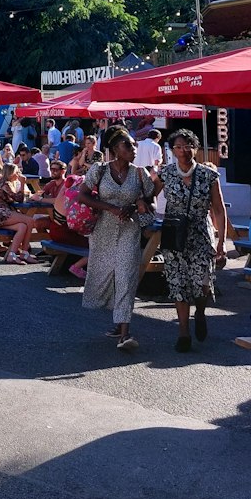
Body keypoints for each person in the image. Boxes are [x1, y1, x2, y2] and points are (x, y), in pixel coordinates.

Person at [76, 129, 159, 352]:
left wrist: (137, 204)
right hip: (102, 230)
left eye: (134, 146)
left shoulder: (140, 173)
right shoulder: (99, 169)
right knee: (105, 275)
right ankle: (118, 321)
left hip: (129, 231)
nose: (134, 150)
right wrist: (110, 208)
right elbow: (81, 195)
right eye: (128, 146)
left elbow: (151, 203)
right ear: (115, 150)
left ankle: (125, 333)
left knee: (126, 277)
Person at [157, 129, 227, 352]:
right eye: (178, 147)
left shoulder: (208, 175)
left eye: (188, 146)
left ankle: (200, 311)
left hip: (200, 234)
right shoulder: (165, 173)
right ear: (172, 150)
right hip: (174, 235)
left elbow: (218, 209)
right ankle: (183, 333)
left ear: (195, 148)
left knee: (202, 282)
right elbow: (147, 195)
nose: (183, 151)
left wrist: (221, 242)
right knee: (178, 283)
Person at [0, 163, 39, 262]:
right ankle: (25, 253)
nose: (18, 175)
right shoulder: (6, 184)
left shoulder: (4, 182)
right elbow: (19, 199)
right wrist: (23, 183)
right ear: (11, 173)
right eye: (17, 172)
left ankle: (12, 254)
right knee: (30, 221)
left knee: (22, 226)